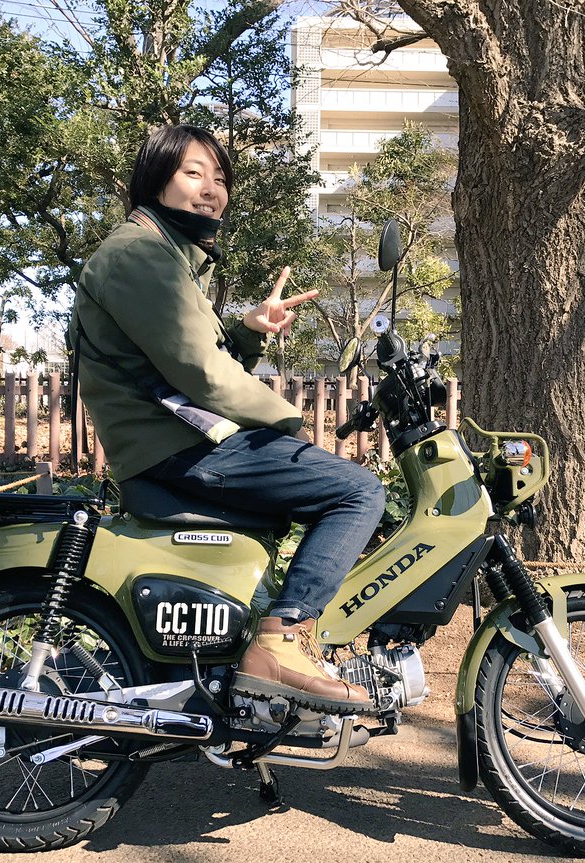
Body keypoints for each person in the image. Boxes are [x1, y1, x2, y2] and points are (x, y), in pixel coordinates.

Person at [70, 125, 385, 712]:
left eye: (220, 178)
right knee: (358, 491)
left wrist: (248, 330)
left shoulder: (168, 256)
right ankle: (282, 641)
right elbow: (201, 376)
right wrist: (291, 424)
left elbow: (187, 362)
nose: (211, 190)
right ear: (155, 179)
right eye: (194, 173)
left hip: (172, 442)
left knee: (320, 495)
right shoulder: (140, 255)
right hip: (174, 449)